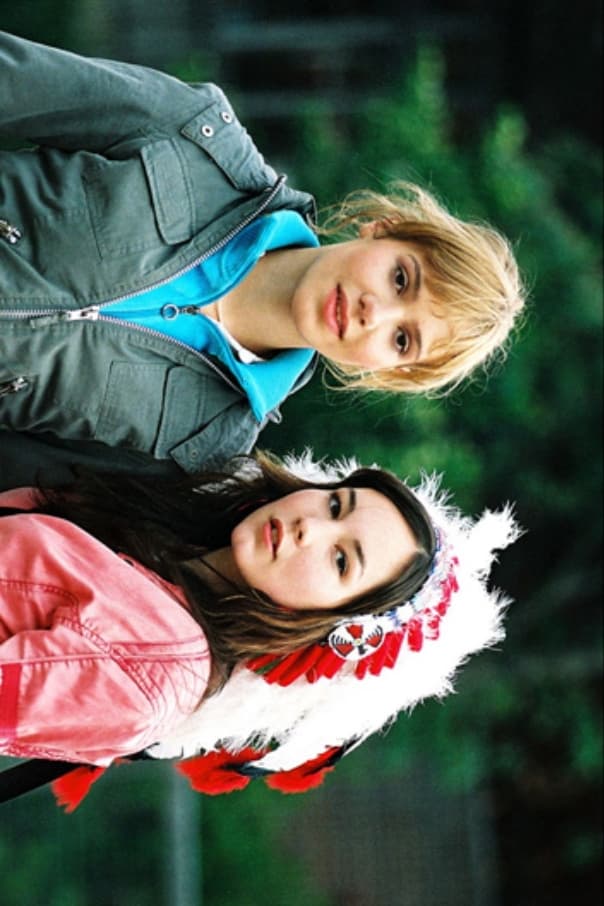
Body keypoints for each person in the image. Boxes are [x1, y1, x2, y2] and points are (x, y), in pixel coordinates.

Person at [0, 32, 525, 488]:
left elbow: (20, 489)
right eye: (401, 279)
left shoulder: (202, 450)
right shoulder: (199, 139)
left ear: (388, 372)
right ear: (383, 228)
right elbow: (16, 80)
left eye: (402, 339)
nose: (376, 312)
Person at [0, 452, 520, 809]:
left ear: (335, 627)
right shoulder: (157, 514)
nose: (311, 527)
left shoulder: (159, 675)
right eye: (335, 505)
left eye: (341, 560)